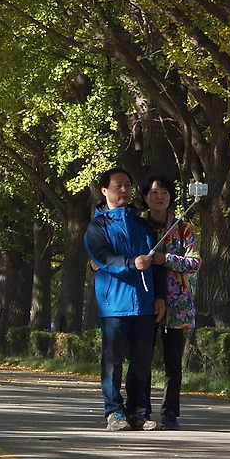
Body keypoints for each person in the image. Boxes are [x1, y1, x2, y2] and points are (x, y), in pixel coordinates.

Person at [84, 167, 166, 431]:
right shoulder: (97, 227)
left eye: (128, 185)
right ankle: (114, 412)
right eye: (118, 185)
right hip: (114, 305)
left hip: (144, 304)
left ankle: (137, 412)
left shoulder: (142, 225)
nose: (124, 190)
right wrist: (132, 263)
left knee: (141, 363)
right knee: (113, 362)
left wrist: (160, 297)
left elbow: (156, 265)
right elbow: (103, 258)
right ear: (104, 191)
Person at [142, 175, 200, 430]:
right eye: (154, 192)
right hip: (143, 301)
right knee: (142, 358)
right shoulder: (137, 225)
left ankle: (170, 413)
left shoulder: (182, 227)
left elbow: (194, 262)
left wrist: (165, 259)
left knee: (173, 362)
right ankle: (141, 410)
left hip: (177, 305)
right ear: (145, 197)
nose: (160, 197)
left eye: (165, 192)